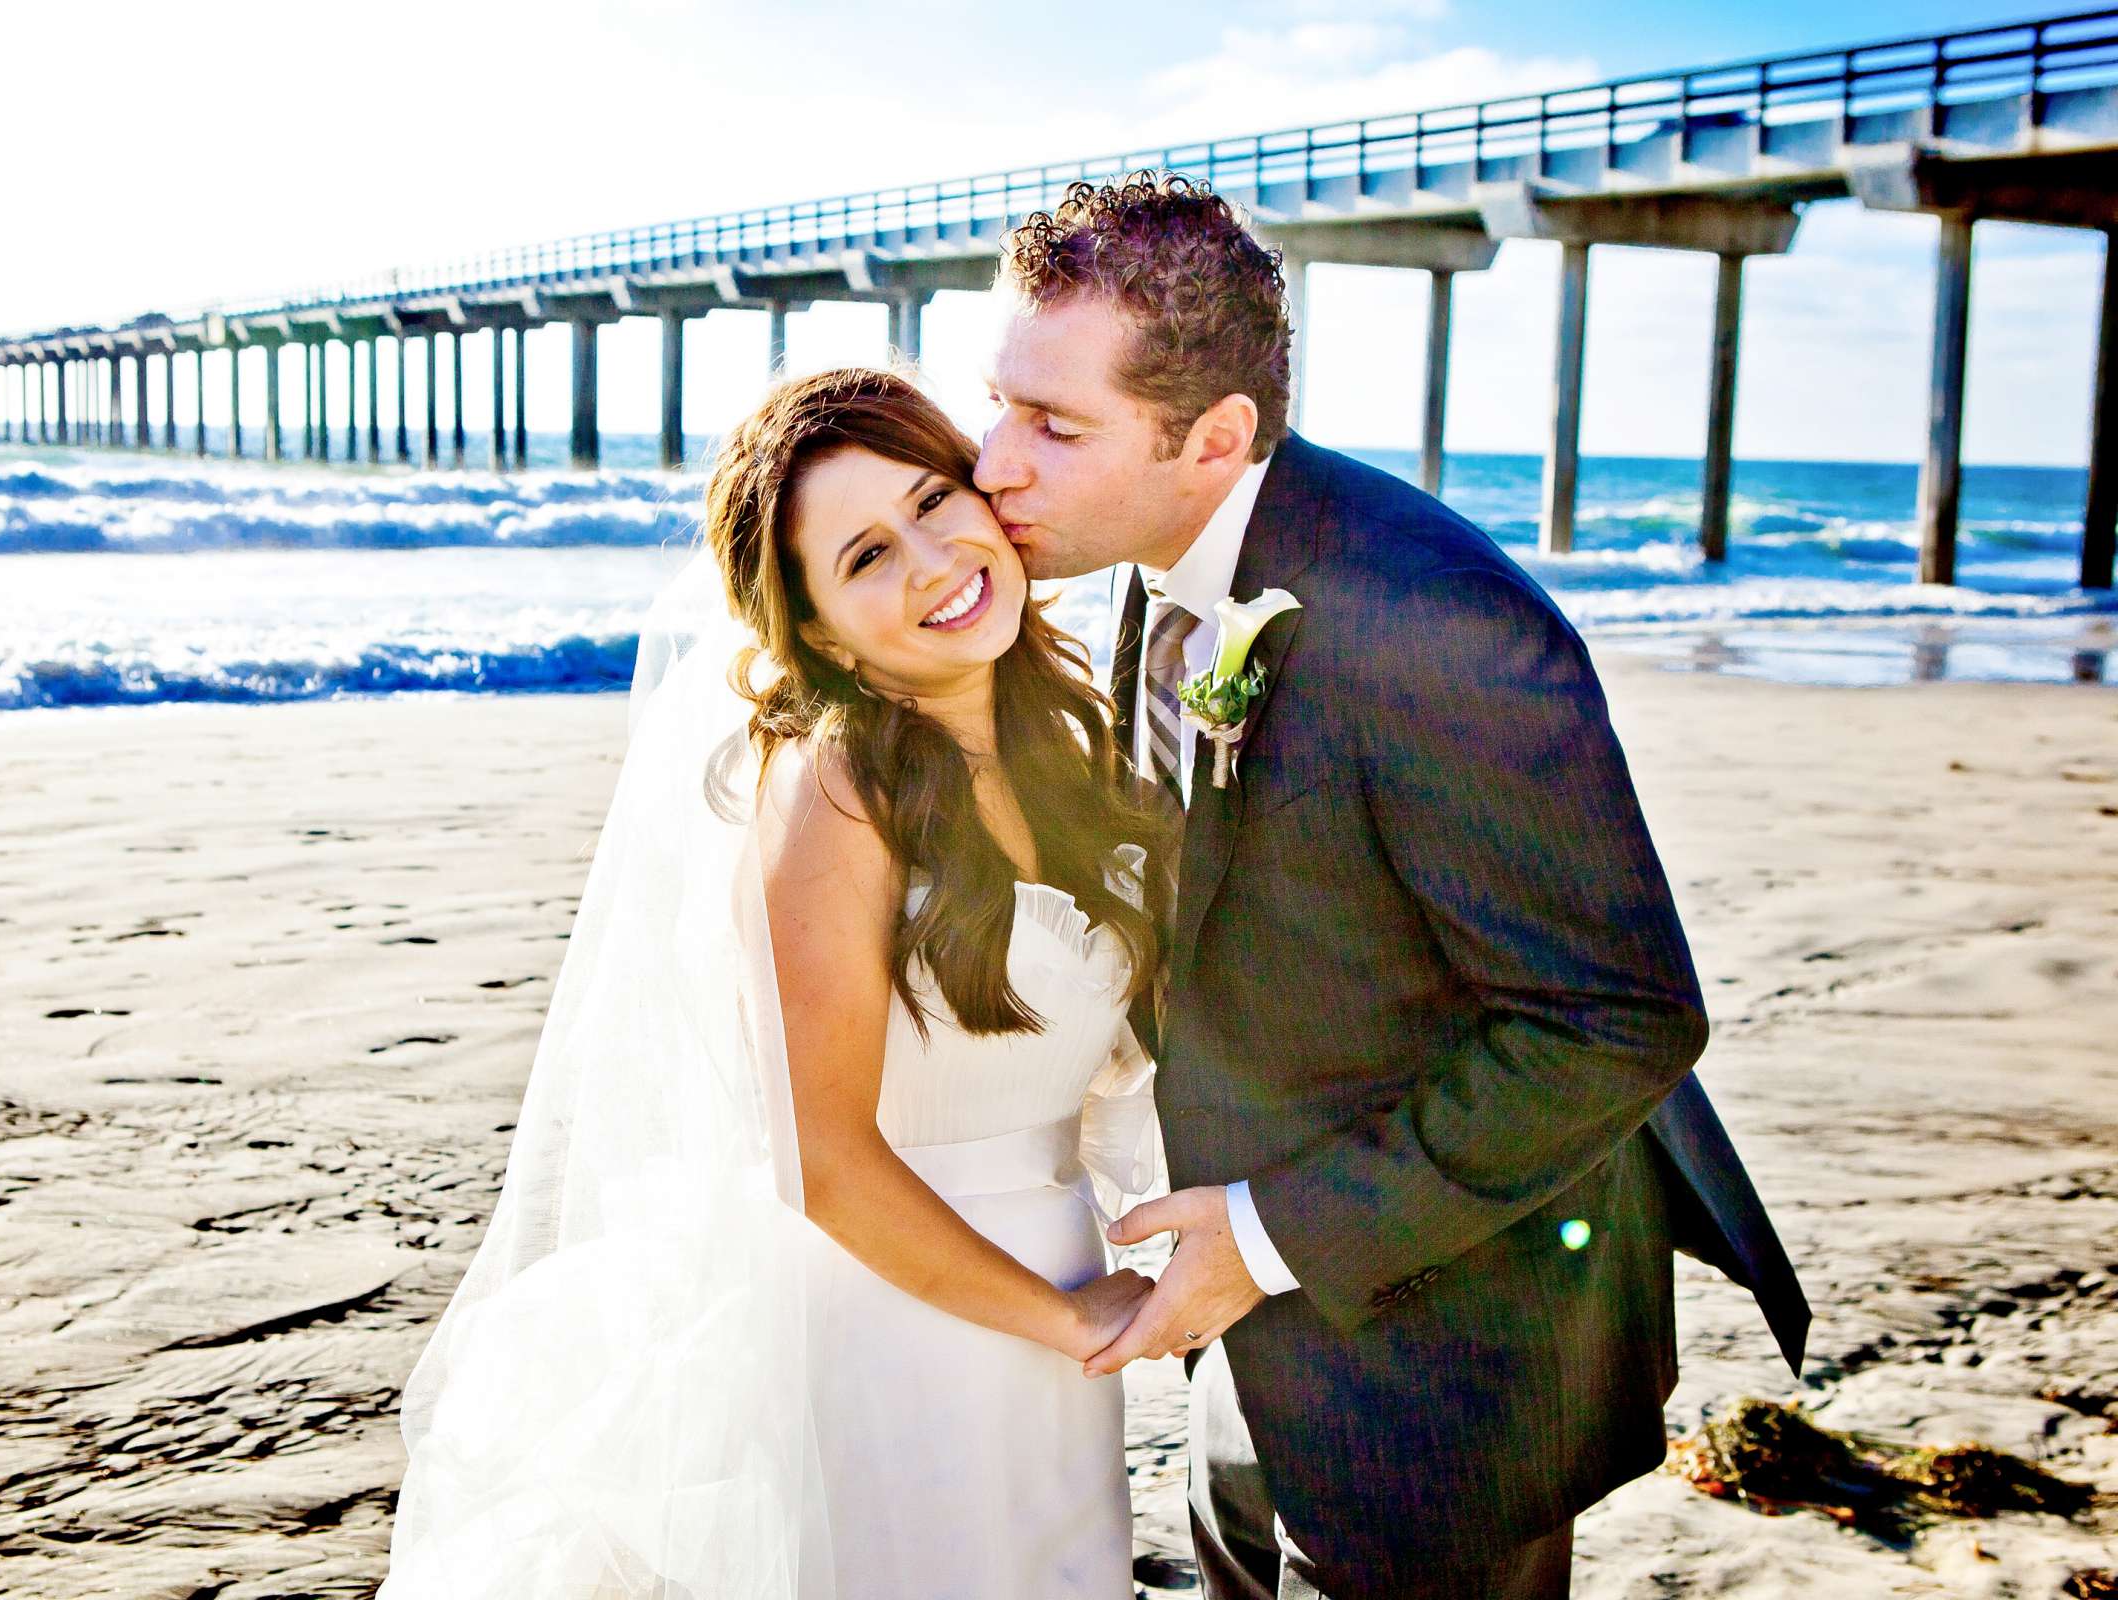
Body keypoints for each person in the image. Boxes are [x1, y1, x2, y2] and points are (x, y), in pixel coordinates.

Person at [971, 171, 1812, 1600]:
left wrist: (1261, 1236)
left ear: (1216, 438)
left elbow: (1617, 1020)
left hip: (1448, 1360)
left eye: (1055, 425)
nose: (995, 460)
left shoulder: (1434, 629)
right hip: (1259, 1333)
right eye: (1000, 401)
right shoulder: (1146, 568)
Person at [381, 367, 1171, 1599]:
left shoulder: (1071, 753)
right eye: (865, 556)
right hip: (899, 1329)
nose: (930, 561)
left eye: (932, 500)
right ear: (813, 628)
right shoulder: (836, 790)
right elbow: (825, 1161)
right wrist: (1064, 1320)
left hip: (1053, 1305)